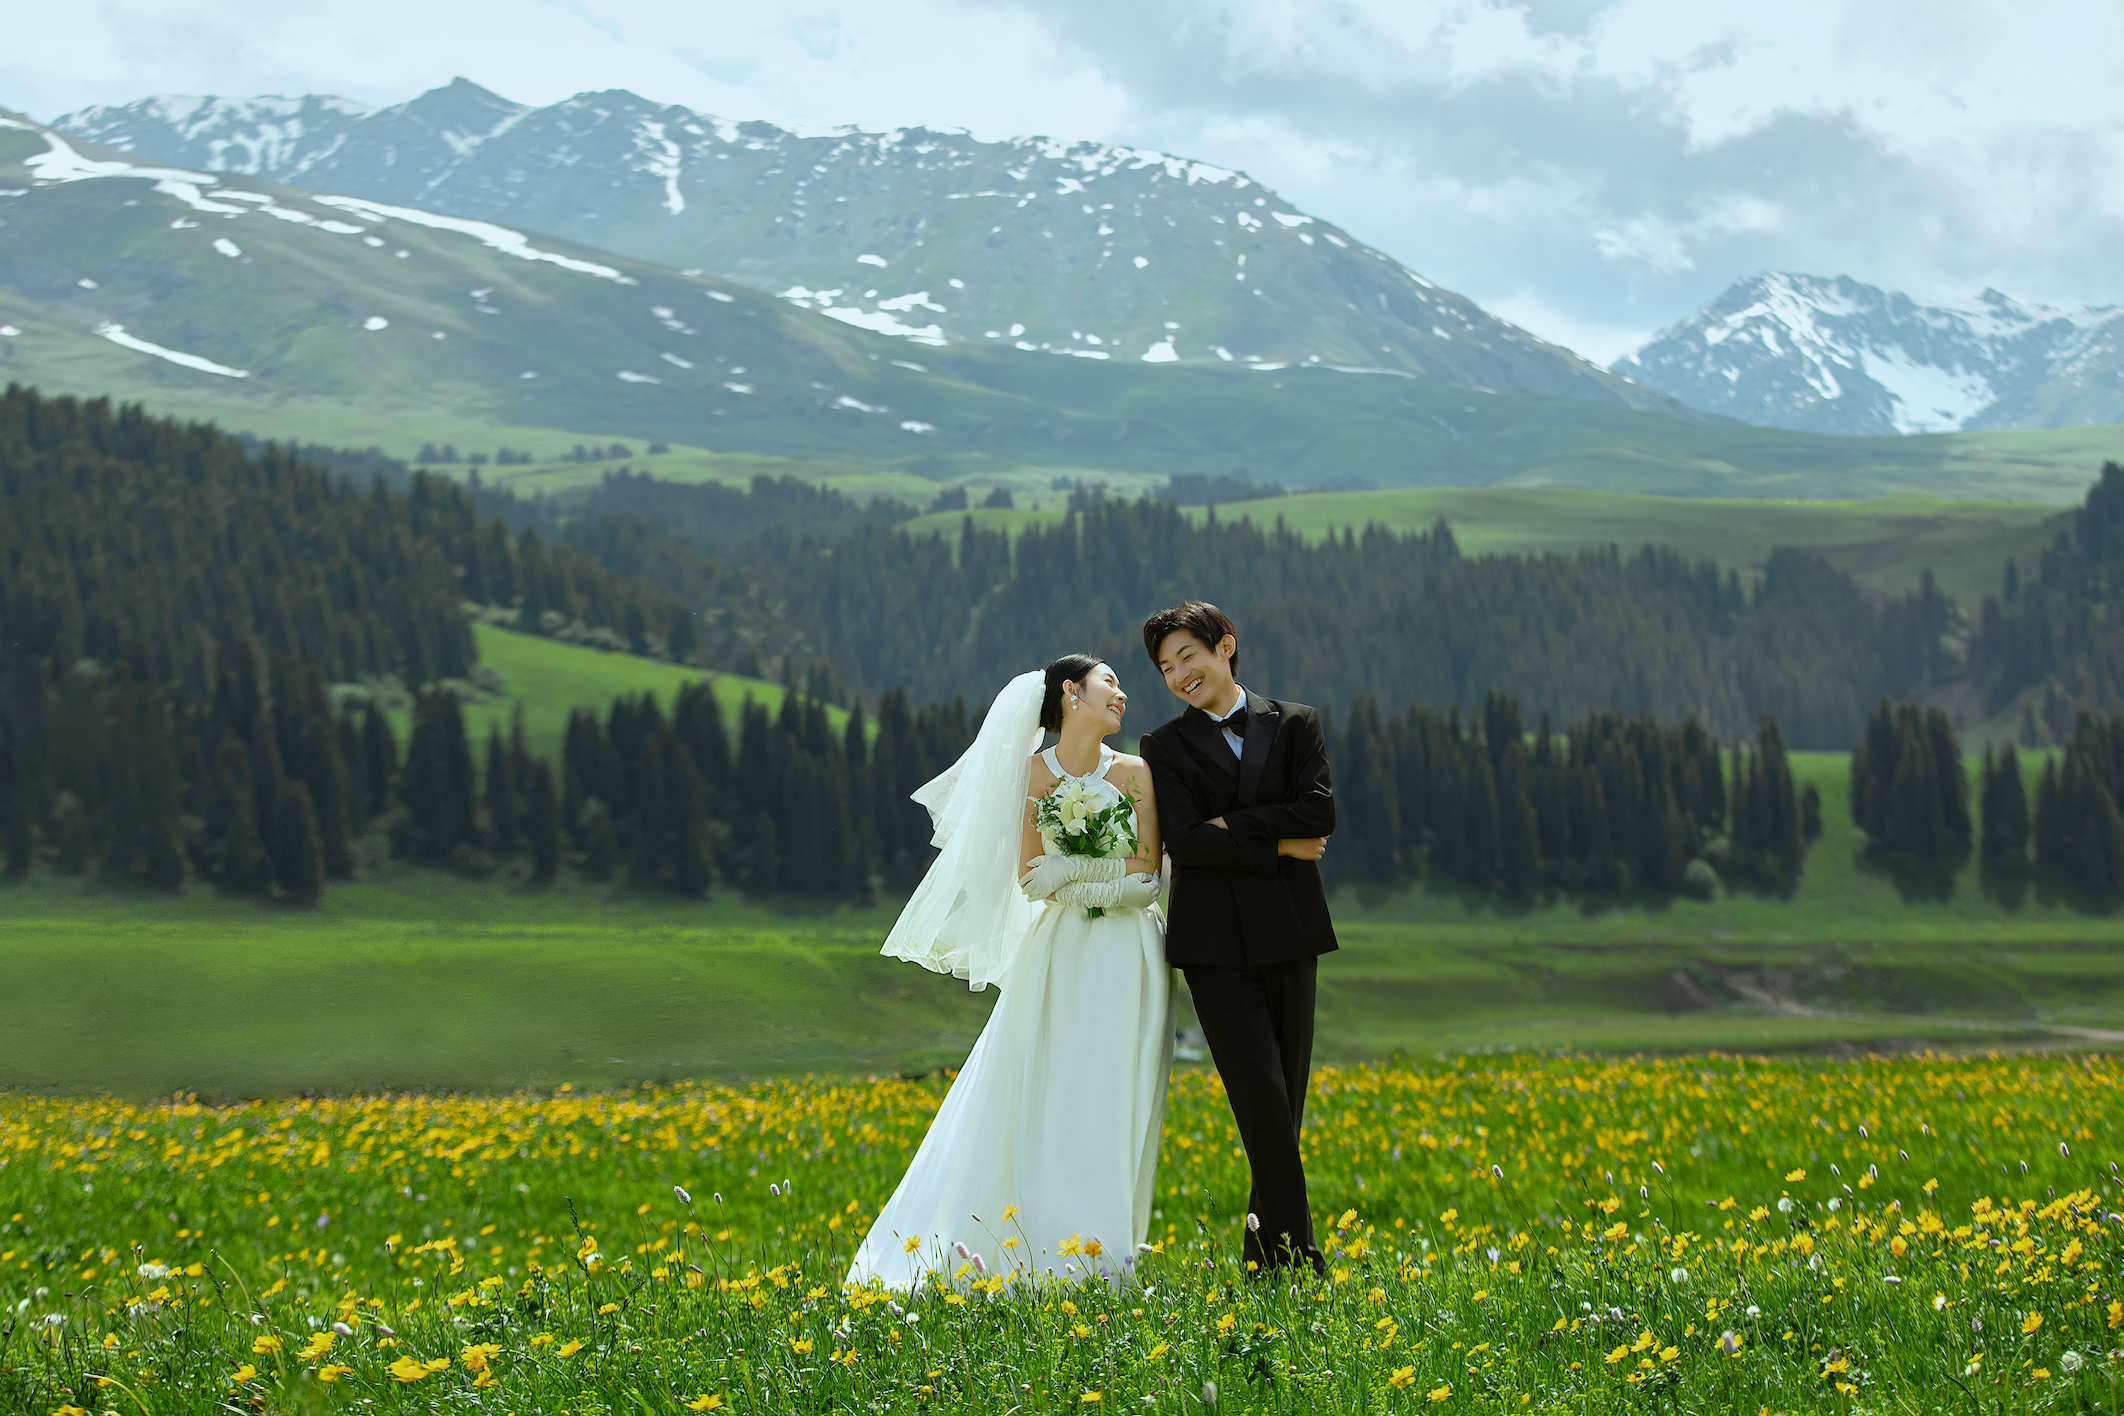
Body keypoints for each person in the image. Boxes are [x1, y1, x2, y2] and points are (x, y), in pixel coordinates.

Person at [846, 655, 1173, 1290]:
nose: (1124, 694)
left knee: (1117, 1091)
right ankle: (1041, 1251)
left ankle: (1104, 1257)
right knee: (1046, 1089)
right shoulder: (1030, 775)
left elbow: (1147, 876)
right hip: (1059, 956)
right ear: (1072, 693)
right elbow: (1029, 879)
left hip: (1132, 954)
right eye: (1111, 683)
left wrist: (1073, 876)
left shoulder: (1135, 772)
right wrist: (1080, 880)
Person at [1137, 601, 1335, 1275]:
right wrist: (1281, 840)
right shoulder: (1162, 746)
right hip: (1213, 946)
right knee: (1259, 1099)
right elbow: (1187, 841)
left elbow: (1322, 810)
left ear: (1226, 647)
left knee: (1287, 1103)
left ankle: (1263, 1262)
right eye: (1165, 668)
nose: (1177, 676)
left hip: (1291, 932)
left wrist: (1235, 829)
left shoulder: (1297, 722)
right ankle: (1302, 1257)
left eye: (1187, 657)